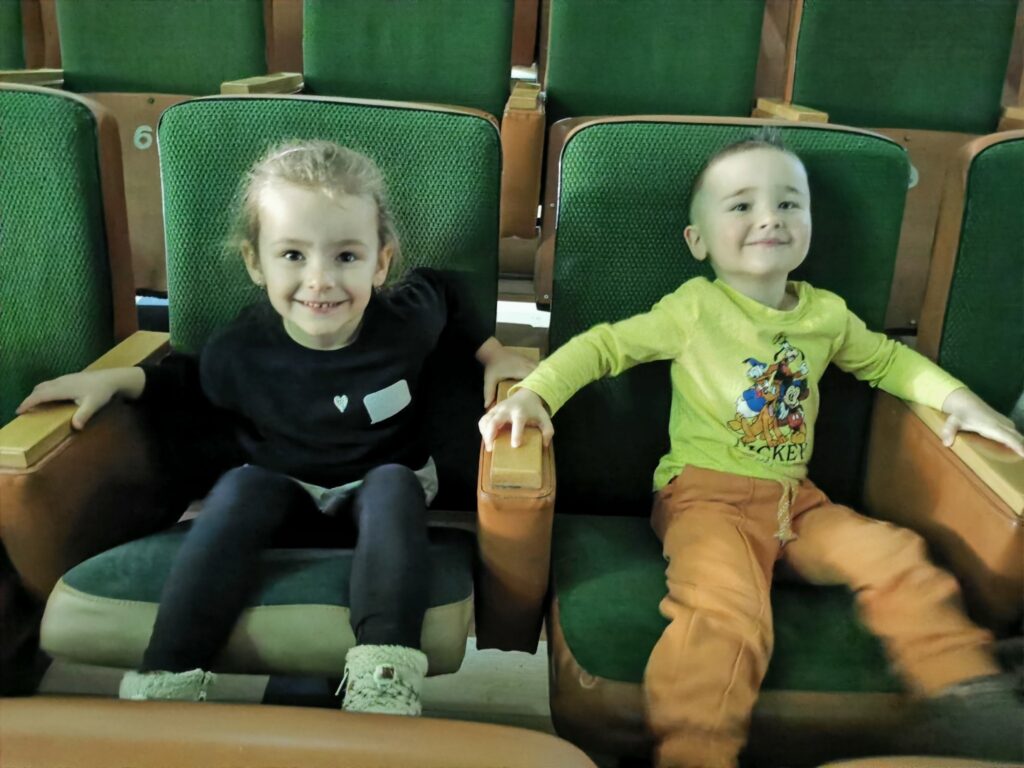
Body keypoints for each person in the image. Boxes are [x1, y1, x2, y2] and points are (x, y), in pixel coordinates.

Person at [478, 131, 1024, 767]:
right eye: (741, 206)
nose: (770, 217)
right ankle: (695, 752)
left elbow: (888, 361)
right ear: (698, 241)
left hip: (800, 504)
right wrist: (535, 395)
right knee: (726, 614)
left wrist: (959, 400)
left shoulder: (827, 315)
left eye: (789, 203)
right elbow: (604, 347)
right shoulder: (695, 308)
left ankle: (967, 696)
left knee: (896, 556)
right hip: (707, 498)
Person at [20, 140, 535, 715]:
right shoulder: (244, 348)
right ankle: (168, 672)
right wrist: (117, 380)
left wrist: (493, 353)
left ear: (381, 263)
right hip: (284, 488)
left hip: (384, 487)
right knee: (240, 486)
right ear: (255, 262)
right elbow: (188, 382)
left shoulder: (405, 321)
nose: (320, 280)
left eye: (346, 256)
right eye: (292, 255)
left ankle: (384, 673)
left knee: (393, 484)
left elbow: (446, 291)